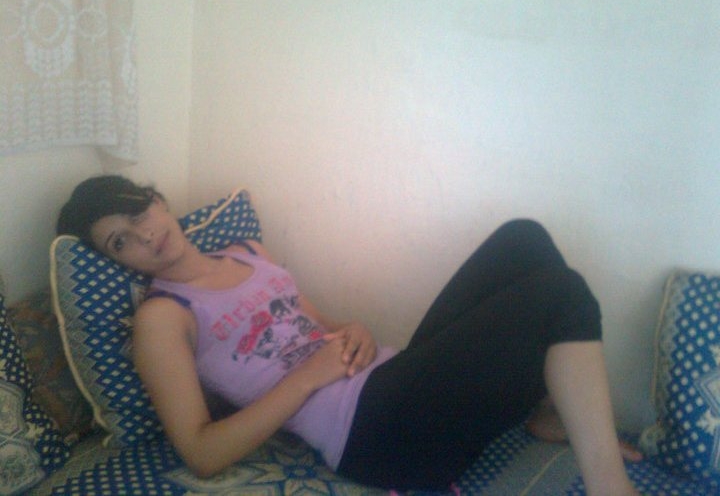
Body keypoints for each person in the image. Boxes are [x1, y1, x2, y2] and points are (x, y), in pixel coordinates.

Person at [56, 175, 641, 495]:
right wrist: (306, 380)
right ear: (120, 262)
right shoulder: (163, 317)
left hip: (390, 380)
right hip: (377, 436)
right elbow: (201, 453)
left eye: (138, 214)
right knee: (560, 293)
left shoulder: (247, 252)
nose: (143, 236)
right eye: (120, 242)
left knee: (523, 239)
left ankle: (544, 415)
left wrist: (352, 328)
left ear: (158, 200)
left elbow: (318, 326)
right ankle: (610, 488)